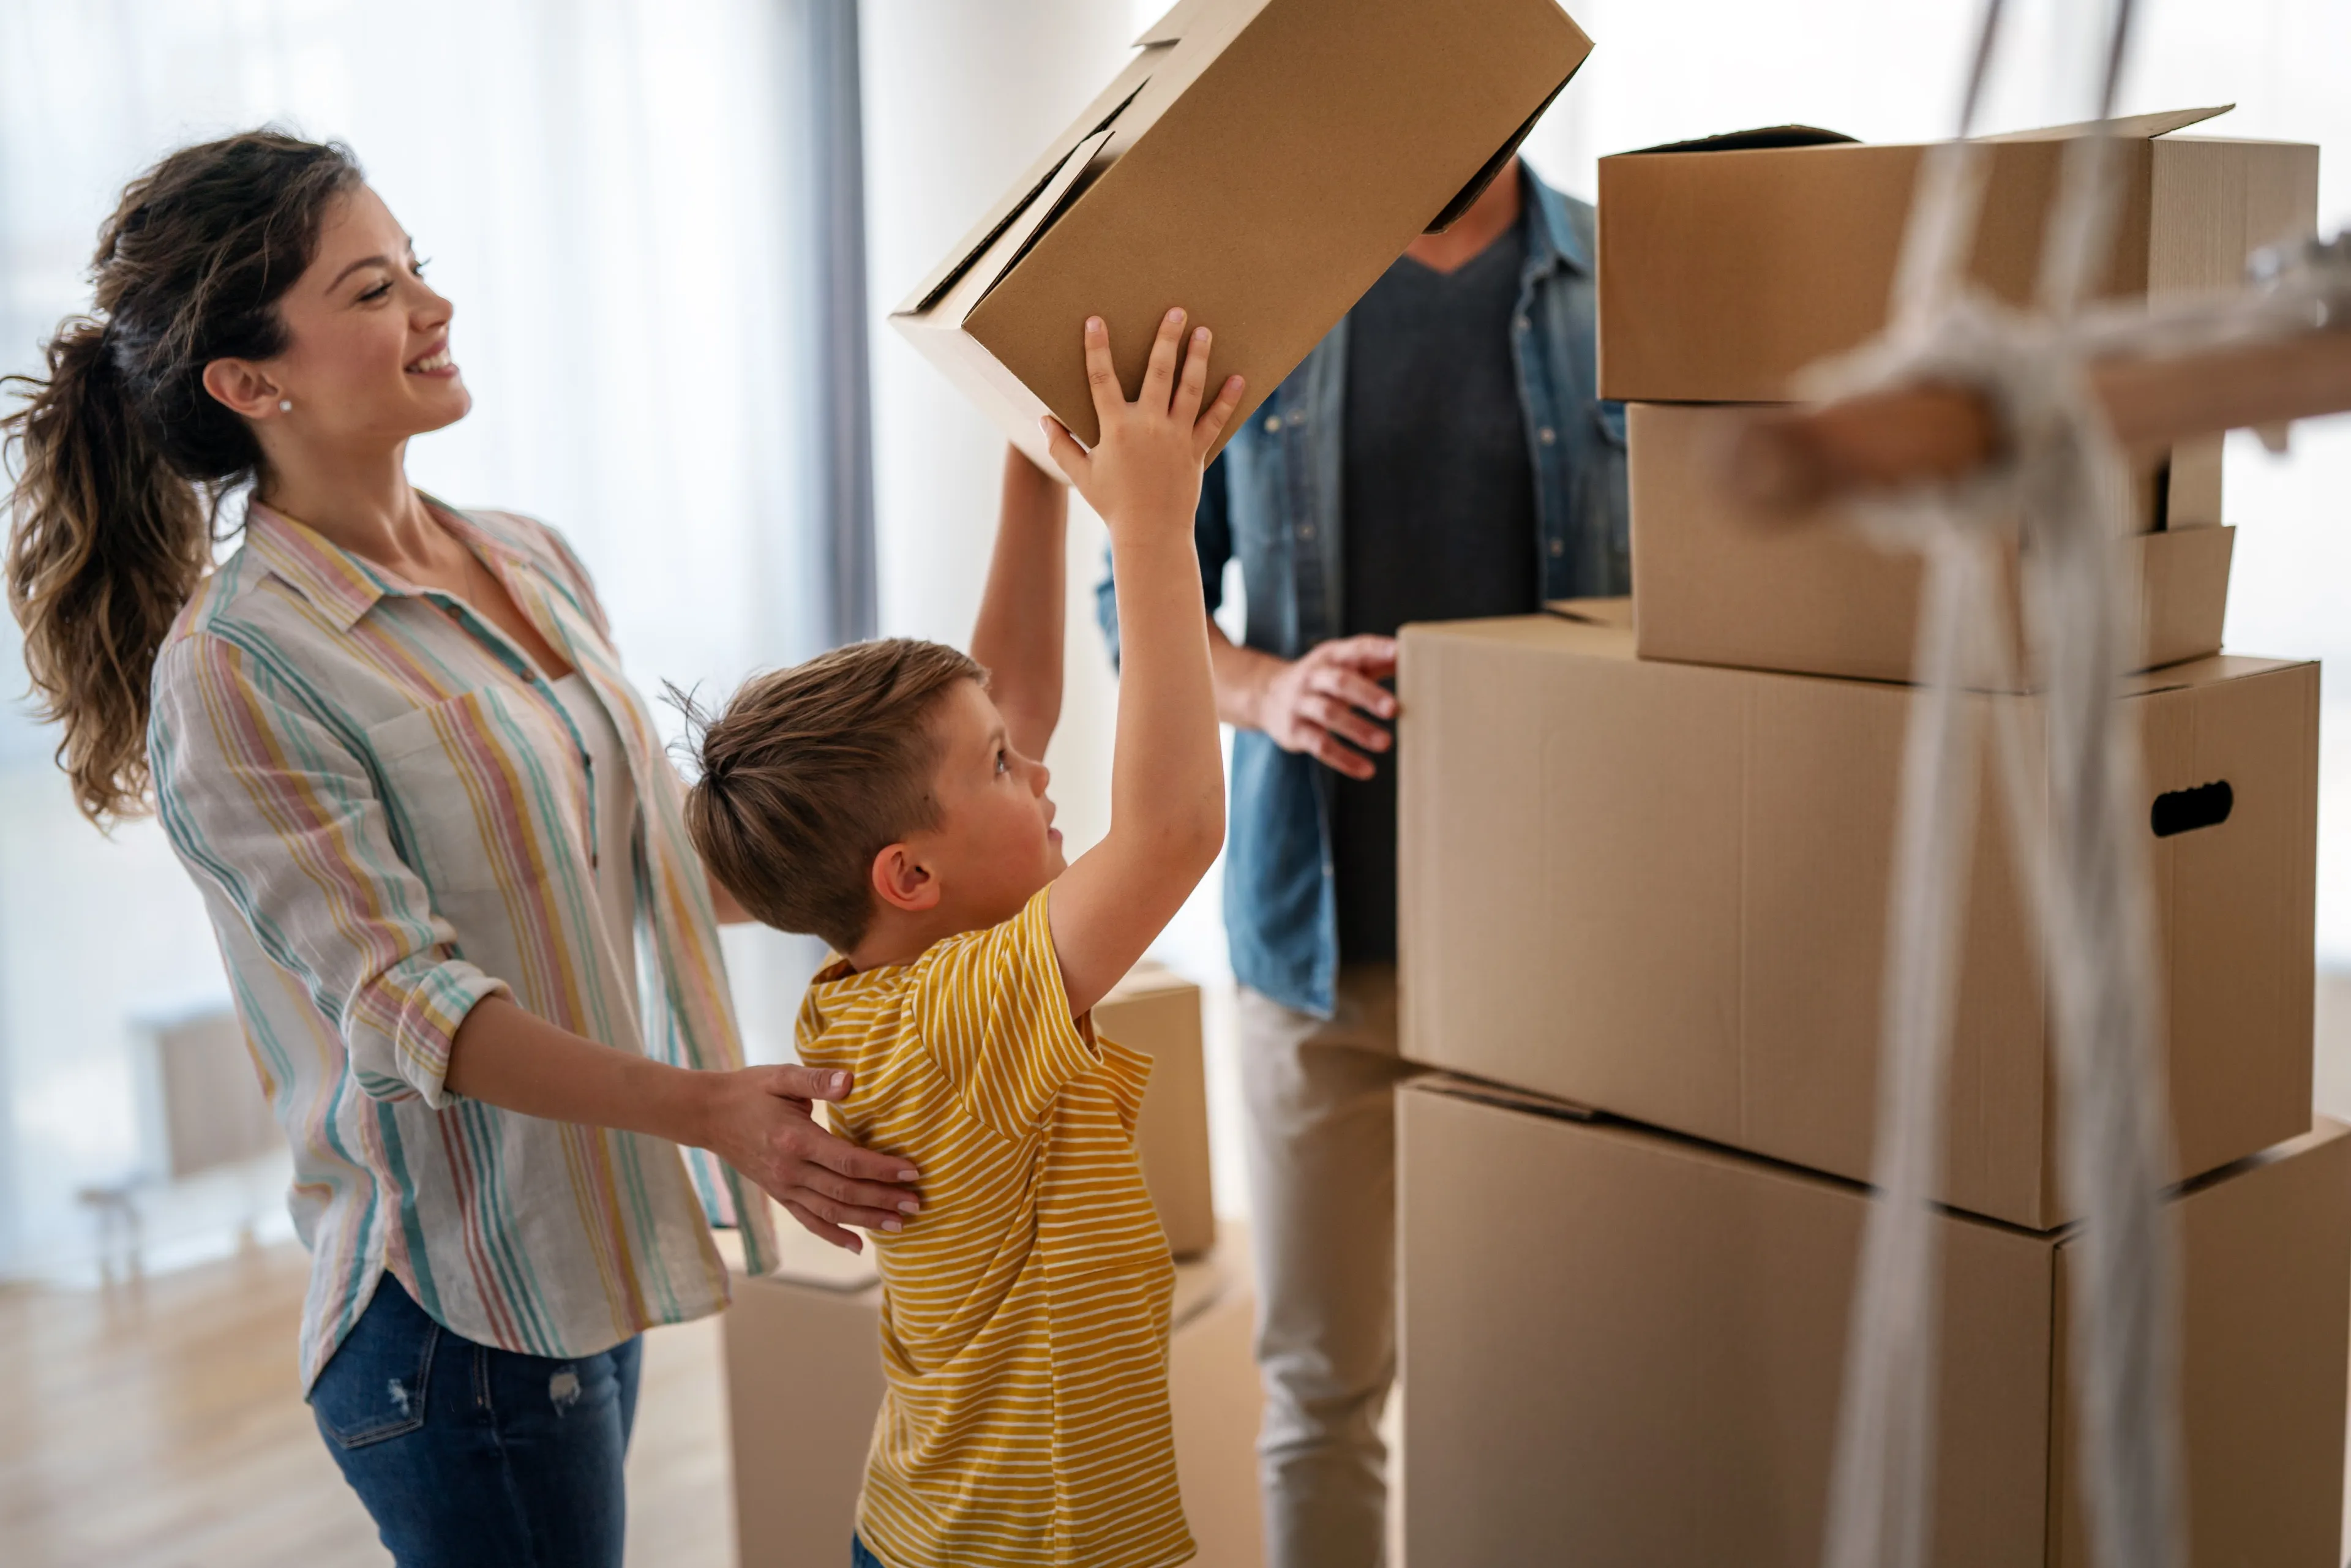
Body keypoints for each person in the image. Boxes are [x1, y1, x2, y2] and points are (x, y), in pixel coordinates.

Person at [1, 131, 922, 1567]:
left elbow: (648, 860)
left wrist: (908, 839)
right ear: (251, 384)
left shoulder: (530, 556)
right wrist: (714, 1107)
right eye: (374, 289)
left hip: (584, 1255)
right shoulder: (240, 665)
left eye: (416, 268)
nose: (433, 308)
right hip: (448, 1318)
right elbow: (409, 1004)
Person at [1097, 155, 1628, 1566]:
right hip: (1320, 931)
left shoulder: (1628, 276)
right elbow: (1134, 591)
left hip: (1562, 946)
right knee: (1323, 1384)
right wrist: (1267, 687)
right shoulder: (1264, 298)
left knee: (1543, 1383)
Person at [680, 309, 1243, 1568]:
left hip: (958, 1529)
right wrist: (1151, 526)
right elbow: (1169, 833)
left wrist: (1033, 465)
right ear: (912, 870)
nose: (1037, 766)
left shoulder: (883, 978)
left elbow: (1012, 700)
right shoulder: (953, 1018)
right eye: (1002, 766)